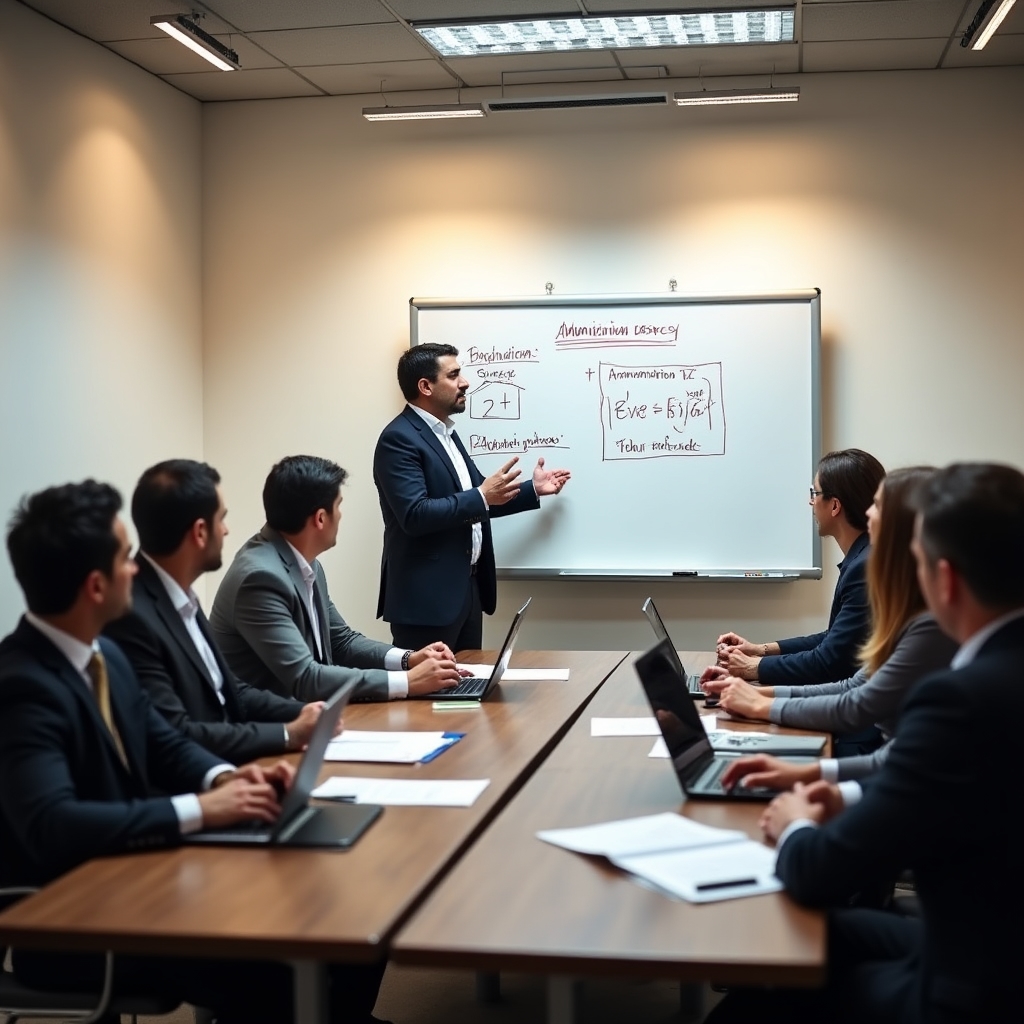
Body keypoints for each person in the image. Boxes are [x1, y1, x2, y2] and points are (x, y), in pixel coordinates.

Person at [0, 480, 385, 1024]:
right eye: (122, 558)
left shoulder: (102, 652)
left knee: (343, 905)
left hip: (143, 877)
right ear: (94, 586)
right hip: (82, 923)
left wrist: (222, 781)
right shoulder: (23, 685)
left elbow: (164, 742)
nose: (135, 569)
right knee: (292, 955)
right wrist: (200, 810)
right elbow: (54, 824)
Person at [707, 462, 1024, 1024]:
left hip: (971, 989)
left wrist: (795, 821)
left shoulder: (962, 700)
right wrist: (829, 784)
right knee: (823, 935)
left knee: (768, 968)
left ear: (944, 581)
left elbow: (819, 869)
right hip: (991, 945)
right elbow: (924, 775)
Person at [710, 467, 957, 783]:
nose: (868, 513)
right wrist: (758, 692)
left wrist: (759, 700)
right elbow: (853, 687)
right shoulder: (908, 604)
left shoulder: (927, 620)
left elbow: (856, 700)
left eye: (878, 506)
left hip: (878, 757)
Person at [103, 459, 341, 762]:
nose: (226, 531)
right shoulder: (134, 616)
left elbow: (230, 689)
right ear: (200, 532)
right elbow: (175, 731)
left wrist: (305, 712)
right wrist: (287, 733)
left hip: (234, 761)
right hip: (204, 779)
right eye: (222, 519)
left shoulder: (179, 595)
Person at [210, 454, 462, 701]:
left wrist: (409, 659)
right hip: (269, 730)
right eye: (338, 505)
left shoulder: (304, 563)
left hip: (313, 717)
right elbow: (306, 677)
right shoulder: (260, 578)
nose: (340, 515)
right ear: (320, 518)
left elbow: (341, 641)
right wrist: (408, 682)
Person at [373, 343, 571, 651]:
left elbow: (480, 498)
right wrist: (481, 494)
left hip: (466, 591)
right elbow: (414, 514)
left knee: (465, 694)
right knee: (428, 697)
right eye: (453, 375)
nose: (464, 382)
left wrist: (533, 489)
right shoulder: (399, 438)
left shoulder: (447, 434)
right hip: (427, 602)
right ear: (425, 386)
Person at [707, 448, 885, 687]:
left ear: (834, 506)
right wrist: (759, 650)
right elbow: (833, 640)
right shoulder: (864, 558)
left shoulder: (863, 568)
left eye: (815, 492)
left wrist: (752, 667)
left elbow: (828, 662)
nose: (810, 501)